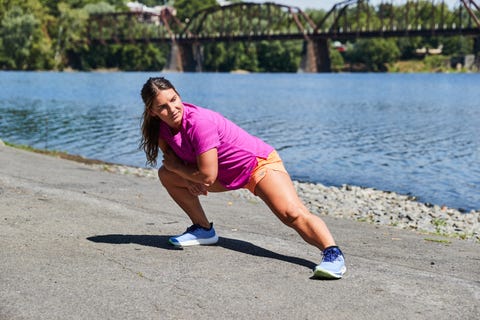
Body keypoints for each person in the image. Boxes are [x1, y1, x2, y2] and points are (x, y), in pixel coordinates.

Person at [139, 77, 346, 279]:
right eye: (163, 107)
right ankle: (203, 229)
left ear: (179, 95)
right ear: (153, 112)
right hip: (224, 173)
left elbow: (207, 177)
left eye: (174, 99)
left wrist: (190, 175)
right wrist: (189, 177)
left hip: (257, 165)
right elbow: (173, 163)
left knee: (291, 214)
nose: (172, 108)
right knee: (166, 175)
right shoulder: (160, 129)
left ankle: (333, 254)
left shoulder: (199, 123)